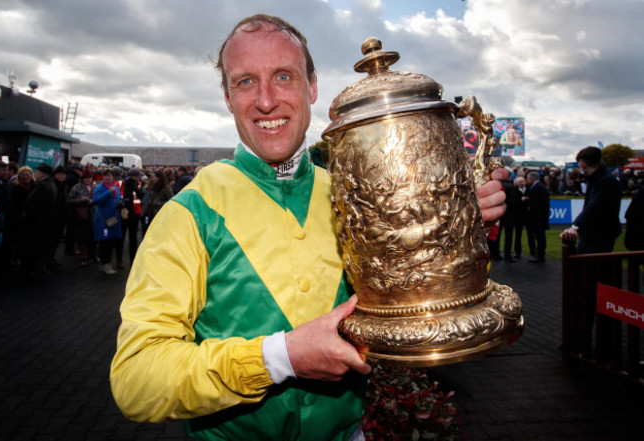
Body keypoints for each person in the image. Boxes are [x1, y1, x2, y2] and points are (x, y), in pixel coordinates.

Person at [110, 14, 509, 441]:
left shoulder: (353, 194)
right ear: (227, 97)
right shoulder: (188, 212)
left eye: (283, 76)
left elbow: (422, 302)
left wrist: (454, 224)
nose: (266, 101)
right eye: (245, 82)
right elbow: (137, 381)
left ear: (313, 87)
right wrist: (278, 358)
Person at [559, 146, 622, 254]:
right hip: (592, 232)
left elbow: (594, 206)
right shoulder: (599, 179)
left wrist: (574, 227)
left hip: (600, 235)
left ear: (582, 164)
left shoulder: (606, 181)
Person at [19, 163, 58, 281]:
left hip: (37, 224)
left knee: (37, 249)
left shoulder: (42, 186)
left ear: (42, 173)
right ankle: (41, 270)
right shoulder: (51, 184)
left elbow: (36, 206)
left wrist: (26, 215)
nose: (35, 174)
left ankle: (38, 272)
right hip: (45, 223)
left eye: (37, 172)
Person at [93, 168, 122, 275]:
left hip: (114, 220)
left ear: (113, 177)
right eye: (105, 175)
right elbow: (97, 200)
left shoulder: (116, 188)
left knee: (111, 242)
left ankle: (107, 264)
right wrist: (108, 193)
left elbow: (118, 198)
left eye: (109, 175)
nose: (107, 177)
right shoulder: (99, 188)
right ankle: (105, 264)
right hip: (103, 220)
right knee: (104, 243)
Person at [67, 169, 95, 267]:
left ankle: (93, 255)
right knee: (83, 238)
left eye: (89, 178)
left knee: (93, 238)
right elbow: (69, 200)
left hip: (93, 216)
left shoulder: (95, 187)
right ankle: (84, 257)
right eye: (86, 178)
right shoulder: (77, 187)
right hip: (82, 217)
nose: (88, 180)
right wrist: (80, 200)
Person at [119, 167, 144, 264]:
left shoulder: (138, 185)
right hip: (124, 212)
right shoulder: (122, 184)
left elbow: (142, 195)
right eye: (137, 177)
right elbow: (120, 196)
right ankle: (119, 260)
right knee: (121, 237)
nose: (139, 179)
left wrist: (134, 187)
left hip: (134, 213)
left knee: (133, 238)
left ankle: (133, 259)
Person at [524, 171, 550, 263]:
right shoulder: (542, 187)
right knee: (541, 237)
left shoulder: (537, 188)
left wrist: (527, 201)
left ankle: (540, 256)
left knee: (539, 237)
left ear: (532, 179)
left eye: (528, 178)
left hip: (537, 219)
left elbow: (535, 204)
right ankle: (540, 255)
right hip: (541, 218)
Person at [512, 176, 528, 258]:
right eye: (520, 182)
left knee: (531, 235)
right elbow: (513, 203)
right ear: (516, 183)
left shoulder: (529, 189)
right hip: (518, 216)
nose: (522, 183)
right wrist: (521, 200)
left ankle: (533, 251)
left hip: (528, 216)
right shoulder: (514, 191)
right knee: (518, 235)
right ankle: (518, 251)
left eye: (523, 181)